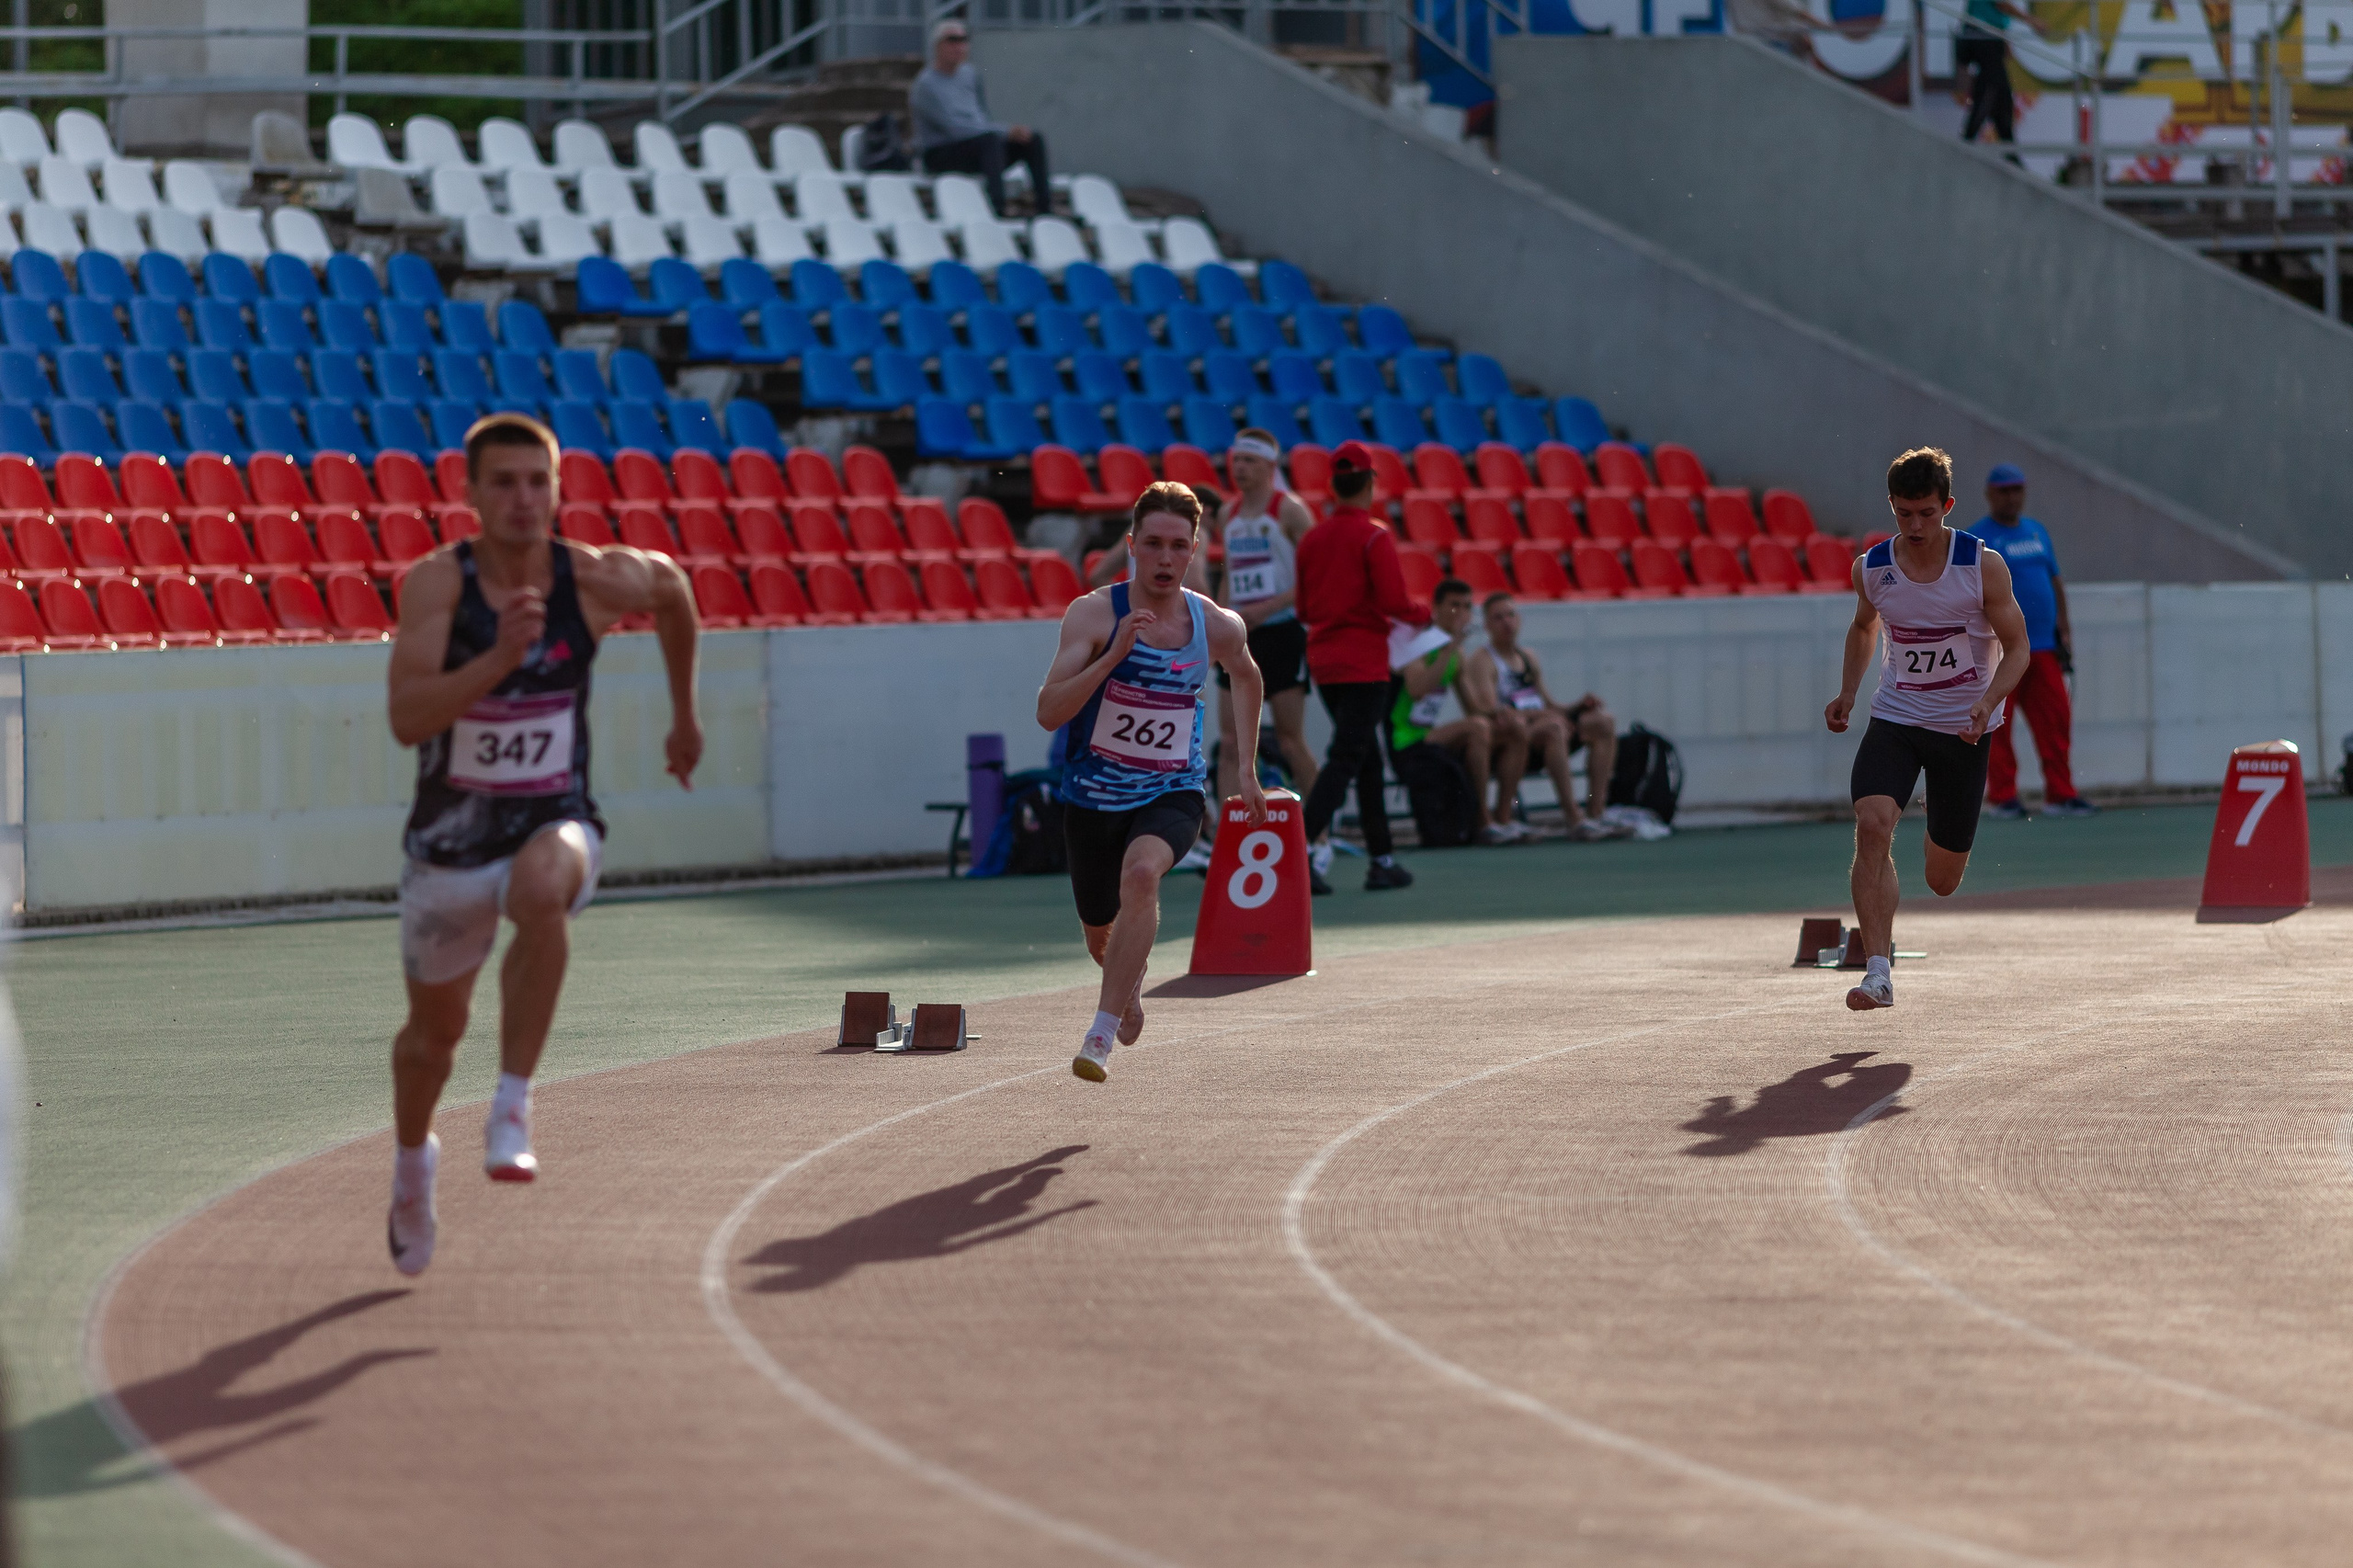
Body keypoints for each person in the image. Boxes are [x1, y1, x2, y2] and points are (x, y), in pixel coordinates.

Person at [384, 415, 702, 1277]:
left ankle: (513, 1106)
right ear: (471, 493)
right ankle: (414, 1166)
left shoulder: (594, 579)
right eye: (505, 483)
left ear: (558, 490)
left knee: (542, 889)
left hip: (553, 817)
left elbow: (673, 591)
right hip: (448, 846)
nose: (524, 499)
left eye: (538, 481)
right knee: (430, 1039)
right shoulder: (435, 588)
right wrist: (499, 660)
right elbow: (406, 718)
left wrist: (684, 713)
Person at [1036, 482, 1267, 1083]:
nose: (1165, 558)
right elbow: (1049, 711)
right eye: (1154, 544)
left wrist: (1245, 766)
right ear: (1132, 546)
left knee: (1142, 876)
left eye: (1178, 547)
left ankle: (1099, 1035)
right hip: (1092, 798)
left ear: (1193, 552)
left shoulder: (1214, 624)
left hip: (1172, 792)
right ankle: (1126, 984)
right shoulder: (1092, 613)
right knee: (1099, 935)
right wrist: (1112, 656)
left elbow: (1246, 678)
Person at [1825, 447, 2030, 1012]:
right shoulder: (1872, 568)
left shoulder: (1980, 566)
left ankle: (1934, 826)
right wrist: (1848, 691)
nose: (1915, 526)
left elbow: (2018, 649)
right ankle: (1877, 973)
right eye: (1903, 513)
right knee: (1871, 823)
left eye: (1926, 513)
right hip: (1897, 718)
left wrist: (1988, 702)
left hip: (1964, 731)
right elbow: (1864, 627)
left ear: (1948, 506)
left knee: (1942, 879)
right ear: (1891, 506)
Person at [1295, 441, 1429, 894]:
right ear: (1370, 483)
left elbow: (1304, 607)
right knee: (1348, 757)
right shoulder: (1375, 535)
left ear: (1333, 485)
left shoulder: (1312, 538)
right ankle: (1298, 851)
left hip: (1324, 661)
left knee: (1364, 758)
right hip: (1364, 662)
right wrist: (1423, 614)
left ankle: (1382, 858)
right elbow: (1394, 601)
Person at [1208, 428, 1319, 857]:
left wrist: (1267, 609)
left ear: (1271, 467)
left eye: (1250, 461)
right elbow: (1231, 574)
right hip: (1241, 635)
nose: (1240, 469)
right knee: (1232, 742)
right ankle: (1227, 839)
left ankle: (1321, 828)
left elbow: (1312, 579)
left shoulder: (1290, 511)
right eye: (1236, 461)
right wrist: (1218, 622)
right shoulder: (1227, 515)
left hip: (1282, 633)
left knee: (1290, 739)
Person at [1965, 463, 2094, 819]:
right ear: (1990, 494)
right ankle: (2004, 797)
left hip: (2042, 647)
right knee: (1997, 725)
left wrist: (2063, 628)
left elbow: (2054, 580)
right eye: (2004, 490)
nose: (2011, 497)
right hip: (2000, 650)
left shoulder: (2037, 532)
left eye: (2017, 489)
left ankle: (2060, 794)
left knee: (2056, 721)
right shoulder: (1976, 539)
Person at [1476, 591, 1628, 840]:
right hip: (1520, 736)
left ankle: (1596, 812)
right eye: (1498, 617)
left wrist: (1578, 706)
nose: (1507, 622)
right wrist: (1540, 717)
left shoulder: (1528, 657)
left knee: (1603, 722)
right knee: (1554, 728)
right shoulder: (1483, 661)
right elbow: (1493, 713)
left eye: (1511, 615)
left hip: (1547, 722)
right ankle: (1574, 817)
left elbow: (1548, 704)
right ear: (1487, 625)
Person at [1391, 578, 1526, 846]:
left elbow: (1473, 707)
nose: (1461, 613)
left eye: (1466, 606)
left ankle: (1503, 816)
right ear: (1436, 607)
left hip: (1430, 735)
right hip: (1405, 737)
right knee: (1477, 728)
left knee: (1511, 730)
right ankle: (1483, 820)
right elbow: (1418, 689)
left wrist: (1500, 712)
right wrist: (1449, 647)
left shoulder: (1457, 654)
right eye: (1454, 606)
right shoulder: (1419, 644)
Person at [910, 20, 1051, 216]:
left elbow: (981, 118)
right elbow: (953, 128)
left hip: (976, 147)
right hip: (941, 152)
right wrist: (1005, 132)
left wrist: (1010, 133)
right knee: (990, 140)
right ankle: (998, 208)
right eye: (952, 40)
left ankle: (1045, 210)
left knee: (1032, 139)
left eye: (963, 40)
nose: (959, 46)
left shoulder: (970, 75)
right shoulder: (926, 85)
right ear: (938, 46)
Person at [1956, 0, 2037, 144]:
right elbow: (2001, 4)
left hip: (1988, 34)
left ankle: (2009, 150)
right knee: (1992, 86)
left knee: (2001, 92)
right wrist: (2031, 20)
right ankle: (1967, 142)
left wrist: (2003, 38)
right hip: (1981, 34)